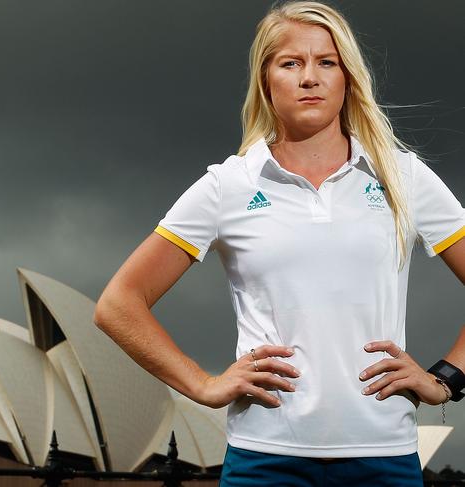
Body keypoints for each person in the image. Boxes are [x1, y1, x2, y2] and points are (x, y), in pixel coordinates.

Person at [93, 1, 465, 485]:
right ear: (267, 81)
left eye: (326, 62)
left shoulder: (402, 176)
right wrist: (204, 385)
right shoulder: (229, 184)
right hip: (264, 458)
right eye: (291, 63)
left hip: (384, 456)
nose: (309, 77)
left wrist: (445, 381)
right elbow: (118, 304)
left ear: (347, 77)